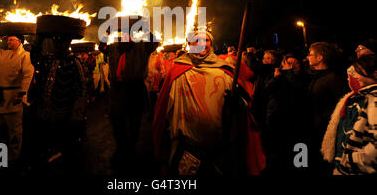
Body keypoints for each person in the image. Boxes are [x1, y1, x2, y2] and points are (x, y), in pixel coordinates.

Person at [152, 30, 265, 175]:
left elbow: (244, 104)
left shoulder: (225, 70)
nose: (201, 44)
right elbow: (164, 108)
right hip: (187, 145)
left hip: (220, 144)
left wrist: (239, 101)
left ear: (211, 44)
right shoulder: (177, 70)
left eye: (205, 40)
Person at [99, 30, 158, 171]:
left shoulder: (142, 47)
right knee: (117, 122)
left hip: (134, 89)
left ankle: (130, 151)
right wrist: (107, 32)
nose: (125, 36)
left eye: (128, 33)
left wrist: (144, 27)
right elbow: (101, 47)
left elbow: (154, 42)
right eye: (122, 33)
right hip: (117, 90)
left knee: (134, 123)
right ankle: (121, 148)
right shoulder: (113, 48)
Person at [27, 34, 87, 173]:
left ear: (66, 45)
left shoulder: (74, 62)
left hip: (62, 110)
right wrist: (40, 38)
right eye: (55, 43)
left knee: (64, 143)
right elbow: (34, 57)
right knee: (45, 139)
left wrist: (77, 115)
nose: (57, 46)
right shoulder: (49, 59)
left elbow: (81, 89)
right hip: (45, 109)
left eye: (60, 43)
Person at [0, 34, 34, 170]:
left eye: (11, 39)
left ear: (19, 41)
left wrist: (22, 93)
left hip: (14, 95)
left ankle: (12, 157)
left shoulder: (25, 55)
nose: (8, 42)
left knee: (14, 129)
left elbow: (28, 74)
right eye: (7, 39)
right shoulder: (3, 53)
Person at [321, 54, 377, 174]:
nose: (356, 76)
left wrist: (350, 159)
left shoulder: (372, 100)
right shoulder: (361, 97)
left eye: (359, 72)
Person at [263, 54, 309, 174]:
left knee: (297, 153)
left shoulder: (304, 78)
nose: (292, 66)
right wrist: (277, 78)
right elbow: (268, 90)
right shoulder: (279, 77)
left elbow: (298, 91)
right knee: (279, 152)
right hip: (277, 119)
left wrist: (289, 73)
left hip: (297, 122)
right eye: (289, 63)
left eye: (295, 63)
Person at [306, 41, 347, 174]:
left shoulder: (332, 79)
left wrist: (322, 120)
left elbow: (339, 104)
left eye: (311, 54)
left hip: (324, 132)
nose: (307, 57)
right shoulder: (316, 77)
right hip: (314, 129)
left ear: (320, 58)